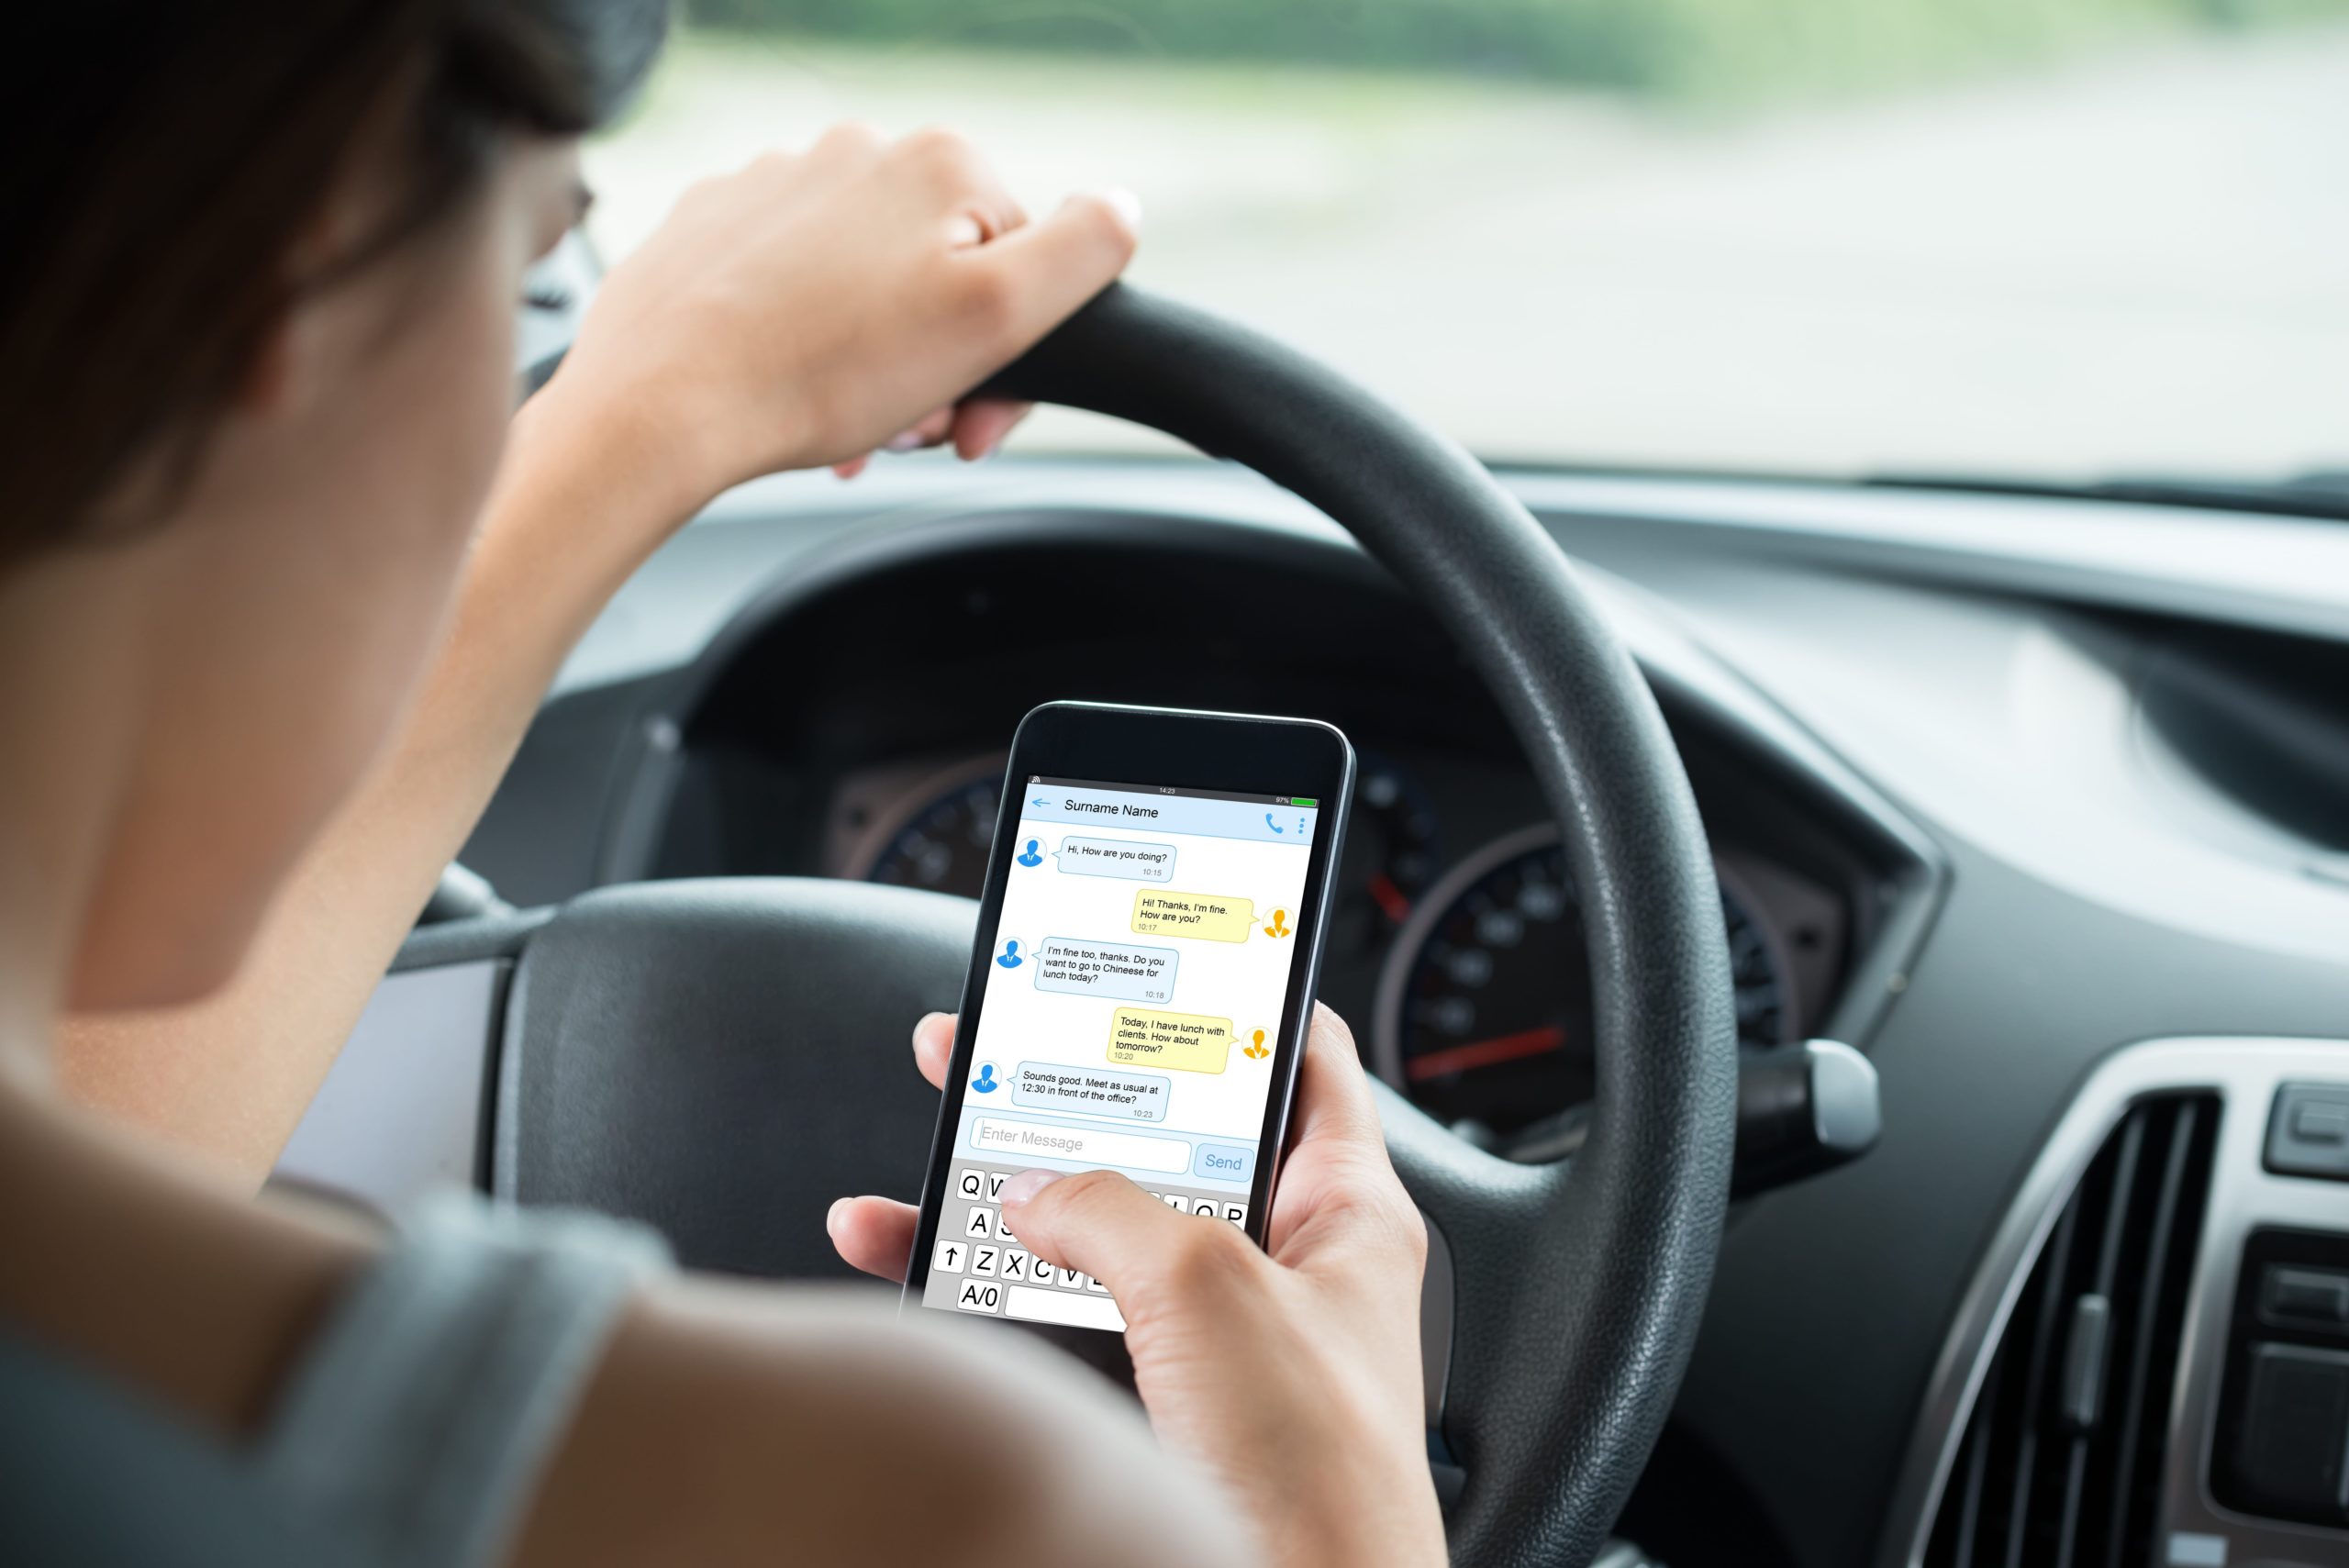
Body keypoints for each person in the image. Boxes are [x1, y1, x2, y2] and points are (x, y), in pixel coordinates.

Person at [0, 5, 1447, 1567]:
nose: (537, 356)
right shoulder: (950, 1507)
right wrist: (1331, 1519)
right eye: (531, 275)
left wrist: (653, 408)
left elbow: (94, 1144)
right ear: (305, 284)